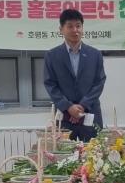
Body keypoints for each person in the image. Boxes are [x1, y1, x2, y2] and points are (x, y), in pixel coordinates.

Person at [44, 9, 106, 141]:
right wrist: (69, 107)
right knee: (63, 153)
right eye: (70, 26)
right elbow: (50, 84)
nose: (75, 30)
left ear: (82, 28)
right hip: (64, 117)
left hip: (90, 114)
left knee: (94, 152)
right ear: (61, 29)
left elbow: (99, 82)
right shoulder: (52, 56)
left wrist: (82, 105)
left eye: (78, 26)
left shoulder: (95, 54)